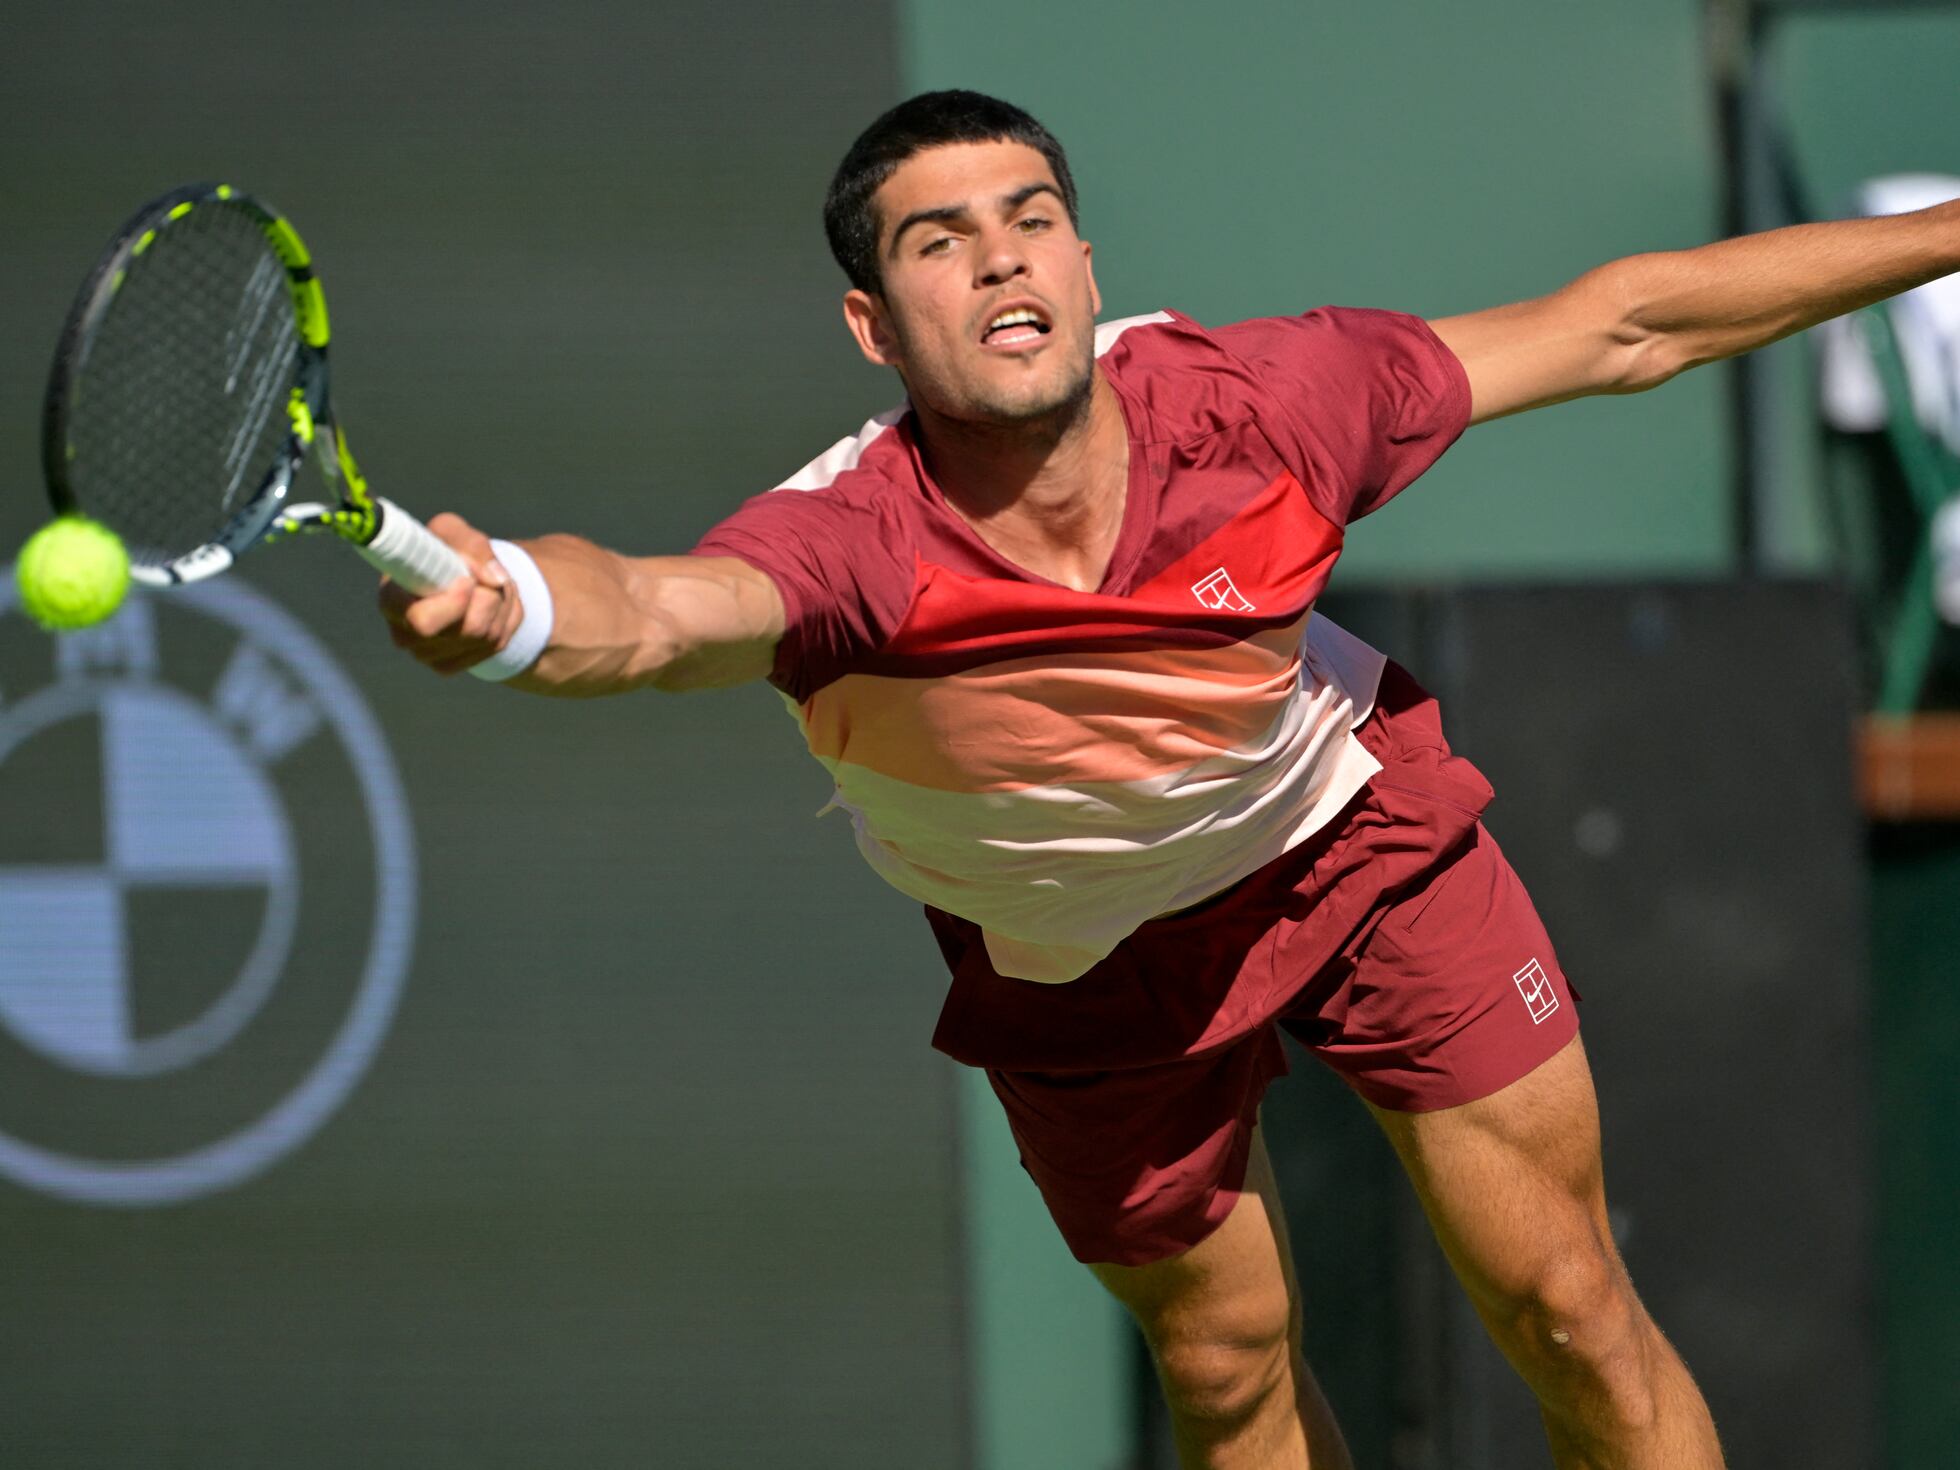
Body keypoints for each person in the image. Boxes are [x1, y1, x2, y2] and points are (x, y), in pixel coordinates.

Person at [381, 90, 1957, 1469]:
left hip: (1349, 851)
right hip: (1076, 959)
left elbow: (1630, 323)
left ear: (1083, 265)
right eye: (938, 240)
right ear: (873, 322)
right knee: (1224, 1368)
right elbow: (651, 612)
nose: (1000, 256)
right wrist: (512, 600)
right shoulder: (854, 540)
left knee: (1565, 1304)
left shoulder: (1265, 410)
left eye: (1033, 218)